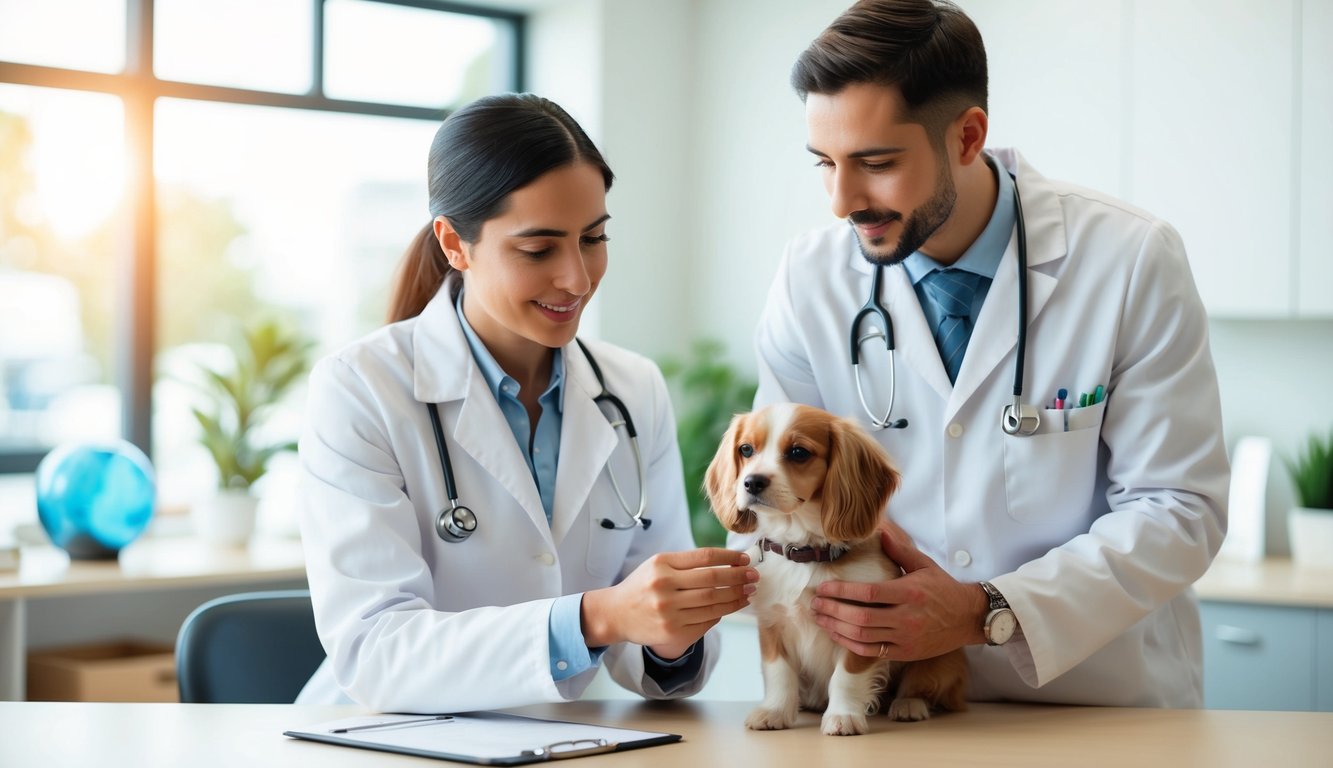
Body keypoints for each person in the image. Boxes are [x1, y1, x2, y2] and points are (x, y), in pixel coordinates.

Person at [740, 0, 1229, 708]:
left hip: (1088, 704)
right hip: (880, 703)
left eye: (874, 164)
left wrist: (984, 609)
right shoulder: (809, 277)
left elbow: (1178, 509)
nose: (841, 200)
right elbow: (781, 503)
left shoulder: (1128, 258)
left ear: (966, 137)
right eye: (825, 163)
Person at [296, 93, 756, 712]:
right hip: (384, 741)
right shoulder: (359, 389)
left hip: (562, 737)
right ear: (455, 244)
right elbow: (376, 650)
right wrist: (595, 618)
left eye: (593, 238)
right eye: (538, 250)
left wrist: (672, 632)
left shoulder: (632, 389)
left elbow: (647, 646)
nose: (577, 277)